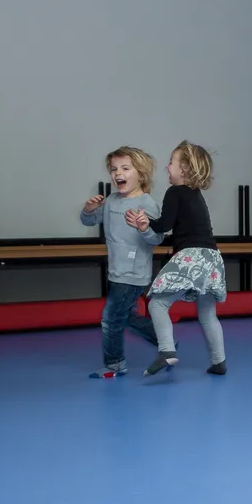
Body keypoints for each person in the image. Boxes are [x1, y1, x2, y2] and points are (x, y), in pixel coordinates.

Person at [128, 141, 225, 377]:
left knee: (157, 304)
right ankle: (219, 362)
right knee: (207, 314)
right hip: (211, 257)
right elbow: (185, 232)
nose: (167, 166)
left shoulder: (175, 192)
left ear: (184, 169)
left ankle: (166, 351)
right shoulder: (196, 196)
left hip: (192, 256)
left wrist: (145, 223)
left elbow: (164, 225)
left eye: (171, 162)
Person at [81, 147, 163, 379]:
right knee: (126, 316)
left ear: (141, 174)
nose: (118, 173)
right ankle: (165, 342)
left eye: (125, 168)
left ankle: (115, 363)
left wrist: (144, 228)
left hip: (134, 272)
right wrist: (87, 211)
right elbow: (88, 221)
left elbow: (157, 238)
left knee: (110, 319)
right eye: (114, 169)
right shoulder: (111, 201)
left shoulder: (147, 203)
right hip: (116, 270)